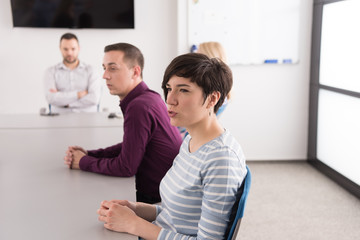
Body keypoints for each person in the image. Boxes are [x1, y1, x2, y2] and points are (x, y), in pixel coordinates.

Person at [96, 53, 247, 239]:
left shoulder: (221, 159)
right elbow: (177, 216)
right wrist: (136, 209)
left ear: (212, 99)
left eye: (183, 90)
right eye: (169, 88)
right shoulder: (192, 140)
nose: (170, 99)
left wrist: (133, 224)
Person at [64, 43, 182, 204]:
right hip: (165, 191)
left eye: (112, 68)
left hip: (156, 200)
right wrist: (91, 154)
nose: (105, 75)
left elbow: (126, 167)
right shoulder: (149, 97)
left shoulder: (138, 106)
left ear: (135, 71)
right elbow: (132, 145)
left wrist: (83, 162)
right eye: (104, 68)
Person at [44, 32, 101, 113]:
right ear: (60, 48)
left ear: (79, 48)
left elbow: (94, 98)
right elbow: (51, 98)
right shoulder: (51, 71)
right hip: (59, 120)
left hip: (87, 119)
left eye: (73, 49)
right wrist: (78, 94)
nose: (69, 53)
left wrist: (66, 103)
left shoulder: (91, 70)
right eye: (65, 49)